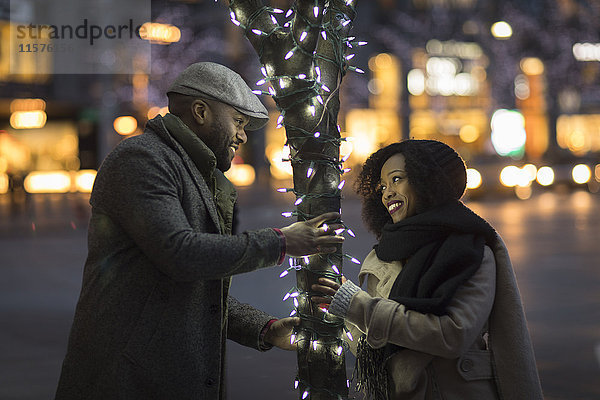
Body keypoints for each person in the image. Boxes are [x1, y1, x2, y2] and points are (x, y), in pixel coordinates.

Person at [55, 62, 344, 400]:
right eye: (237, 122)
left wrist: (264, 330)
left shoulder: (198, 174)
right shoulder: (141, 159)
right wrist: (280, 242)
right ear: (200, 111)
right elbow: (181, 255)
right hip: (127, 381)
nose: (241, 136)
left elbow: (196, 290)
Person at [312, 140, 543, 400]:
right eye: (383, 186)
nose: (387, 193)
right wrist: (342, 313)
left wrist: (358, 306)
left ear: (428, 181)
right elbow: (376, 348)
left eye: (397, 179)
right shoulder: (382, 258)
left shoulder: (471, 251)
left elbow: (452, 335)